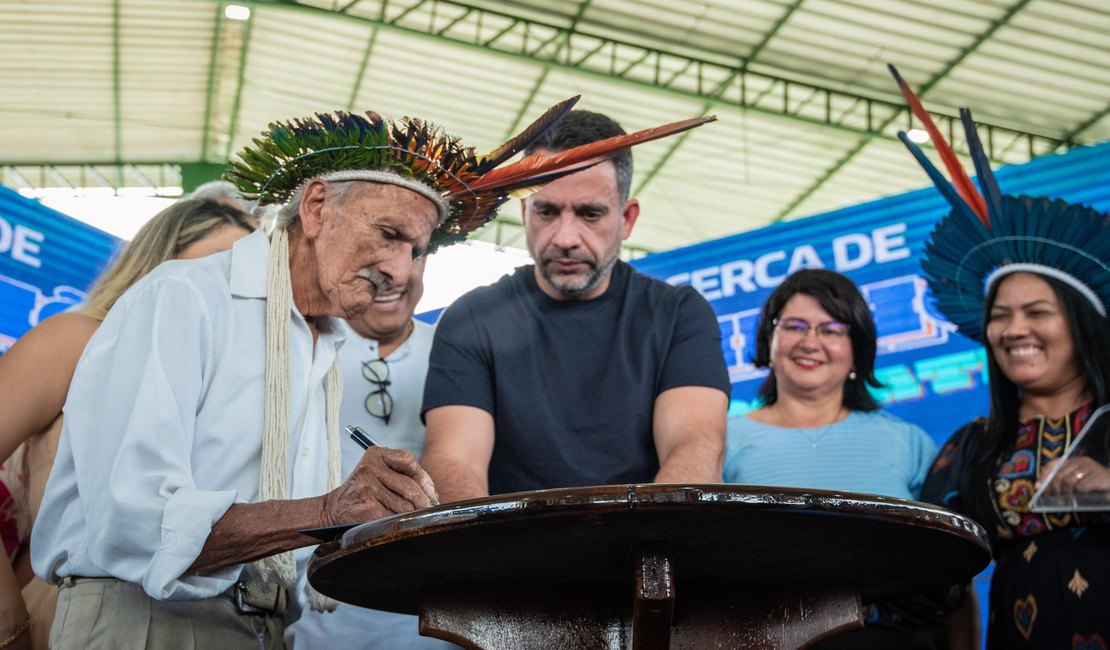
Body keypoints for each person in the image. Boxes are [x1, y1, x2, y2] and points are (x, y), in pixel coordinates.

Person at [30, 100, 707, 648]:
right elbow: (132, 520)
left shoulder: (317, 346)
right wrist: (328, 513)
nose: (403, 271)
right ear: (317, 207)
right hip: (147, 626)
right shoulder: (182, 298)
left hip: (264, 627)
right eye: (389, 235)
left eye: (417, 250)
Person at [892, 67, 1110, 648]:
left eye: (1037, 312)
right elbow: (926, 581)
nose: (1015, 330)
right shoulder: (974, 445)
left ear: (1082, 324)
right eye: (1000, 315)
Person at [421, 110, 731, 503]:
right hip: (511, 552)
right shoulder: (472, 319)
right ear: (524, 212)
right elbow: (453, 462)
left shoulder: (678, 315)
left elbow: (696, 453)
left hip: (643, 550)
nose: (566, 237)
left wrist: (637, 550)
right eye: (547, 211)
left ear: (627, 218)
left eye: (590, 214)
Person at [0, 198, 256, 650]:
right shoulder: (77, 338)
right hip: (63, 622)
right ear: (156, 261)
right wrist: (9, 621)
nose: (222, 284)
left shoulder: (228, 385)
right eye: (214, 264)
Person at [722, 268, 944, 648]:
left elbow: (950, 579)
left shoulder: (909, 442)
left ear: (857, 348)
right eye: (794, 326)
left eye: (831, 330)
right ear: (769, 339)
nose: (811, 342)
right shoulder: (721, 439)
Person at [287, 256, 457, 649]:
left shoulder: (452, 353)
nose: (393, 276)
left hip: (425, 604)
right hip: (319, 599)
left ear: (428, 261)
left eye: (414, 255)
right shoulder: (310, 347)